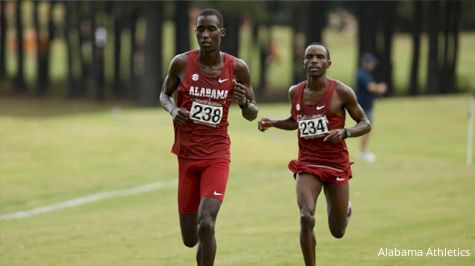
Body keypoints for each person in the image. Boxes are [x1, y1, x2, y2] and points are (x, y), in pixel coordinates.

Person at [159, 8, 258, 266]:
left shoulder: (237, 67)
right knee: (190, 238)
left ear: (222, 33)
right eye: (200, 29)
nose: (205, 35)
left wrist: (244, 102)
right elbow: (164, 95)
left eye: (211, 29)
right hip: (187, 157)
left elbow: (252, 113)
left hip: (217, 155)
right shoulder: (181, 63)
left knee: (207, 223)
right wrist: (173, 110)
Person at [258, 43, 371, 266]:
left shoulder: (342, 92)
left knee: (337, 231)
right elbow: (296, 122)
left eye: (320, 57)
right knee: (306, 217)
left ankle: (344, 208)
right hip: (308, 164)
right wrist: (274, 123)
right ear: (304, 63)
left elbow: (365, 123)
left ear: (328, 63)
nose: (314, 61)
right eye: (310, 57)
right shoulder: (295, 92)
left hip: (336, 164)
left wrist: (345, 132)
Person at [355, 52, 387, 162]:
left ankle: (363, 151)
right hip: (364, 107)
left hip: (367, 106)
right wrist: (381, 87)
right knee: (366, 129)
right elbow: (371, 87)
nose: (373, 65)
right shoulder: (363, 74)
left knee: (367, 129)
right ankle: (362, 152)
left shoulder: (367, 73)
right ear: (366, 63)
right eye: (371, 63)